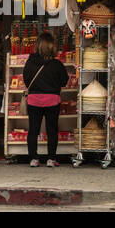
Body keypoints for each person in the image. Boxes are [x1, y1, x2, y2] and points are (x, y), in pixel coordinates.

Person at [22, 31, 69, 168]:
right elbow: (64, 81)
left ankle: (33, 159)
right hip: (52, 101)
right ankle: (51, 159)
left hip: (34, 100)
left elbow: (26, 81)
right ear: (52, 47)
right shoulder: (57, 64)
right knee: (52, 130)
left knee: (33, 130)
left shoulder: (30, 62)